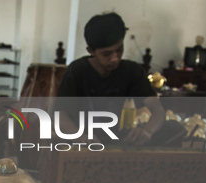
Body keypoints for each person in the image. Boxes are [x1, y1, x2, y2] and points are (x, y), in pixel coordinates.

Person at [57, 12, 165, 146]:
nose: (115, 58)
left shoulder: (132, 71)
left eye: (119, 50)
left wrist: (147, 131)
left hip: (117, 141)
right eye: (106, 54)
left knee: (174, 128)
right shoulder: (77, 71)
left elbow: (158, 110)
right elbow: (60, 115)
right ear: (91, 51)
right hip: (82, 143)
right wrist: (80, 136)